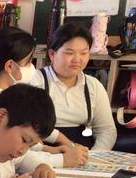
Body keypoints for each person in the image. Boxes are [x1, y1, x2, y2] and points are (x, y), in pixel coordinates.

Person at [0, 26, 89, 169]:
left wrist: (48, 149)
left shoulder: (7, 95)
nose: (32, 68)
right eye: (29, 62)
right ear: (10, 66)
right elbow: (11, 154)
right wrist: (61, 160)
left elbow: (19, 141)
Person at [31, 22, 117, 151]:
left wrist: (93, 156)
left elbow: (106, 130)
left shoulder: (93, 86)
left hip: (83, 151)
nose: (77, 59)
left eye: (83, 53)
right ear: (52, 54)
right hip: (44, 150)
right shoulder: (35, 82)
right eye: (69, 53)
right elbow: (26, 128)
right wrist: (47, 153)